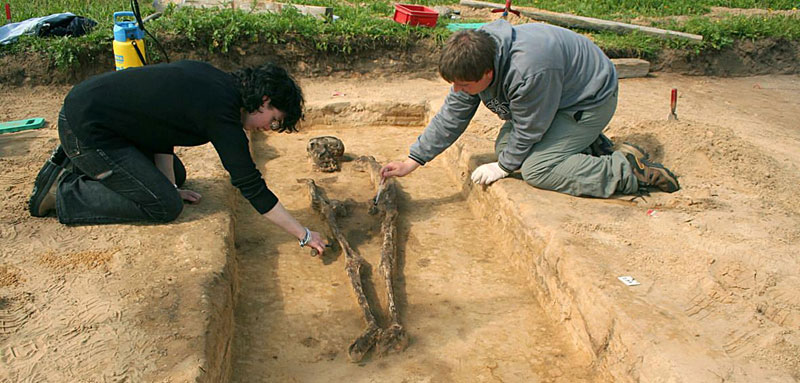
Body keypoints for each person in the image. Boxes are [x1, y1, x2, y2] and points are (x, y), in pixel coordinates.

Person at [28, 60, 328, 255]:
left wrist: (169, 184)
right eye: (273, 119)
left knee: (173, 181)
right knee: (163, 205)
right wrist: (303, 234)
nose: (269, 127)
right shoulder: (222, 112)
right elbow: (249, 183)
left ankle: (82, 165)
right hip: (88, 132)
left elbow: (161, 130)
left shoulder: (218, 84)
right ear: (264, 101)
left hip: (102, 121)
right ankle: (64, 192)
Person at [380, 20, 680, 197]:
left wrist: (503, 167)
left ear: (488, 73)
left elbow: (530, 127)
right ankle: (589, 147)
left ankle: (628, 170)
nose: (458, 91)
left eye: (465, 85)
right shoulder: (475, 55)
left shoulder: (529, 71)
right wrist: (413, 160)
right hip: (555, 97)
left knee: (538, 169)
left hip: (589, 100)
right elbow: (452, 114)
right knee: (506, 146)